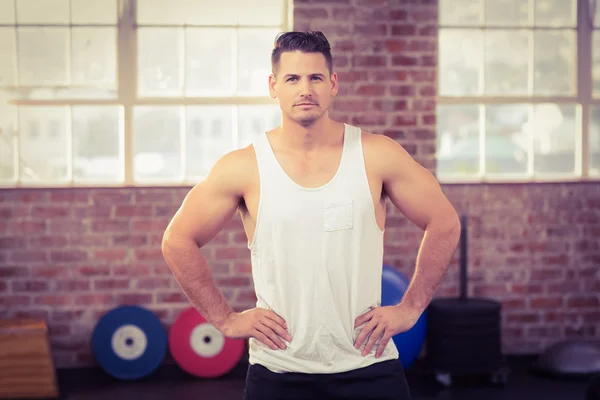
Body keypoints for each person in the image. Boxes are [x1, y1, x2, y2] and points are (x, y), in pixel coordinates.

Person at [162, 30, 461, 400]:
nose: (305, 89)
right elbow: (177, 240)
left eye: (316, 77)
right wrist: (225, 318)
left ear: (332, 83)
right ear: (274, 86)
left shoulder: (377, 154)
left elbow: (445, 222)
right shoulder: (242, 167)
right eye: (292, 79)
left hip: (368, 365)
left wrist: (412, 307)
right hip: (279, 370)